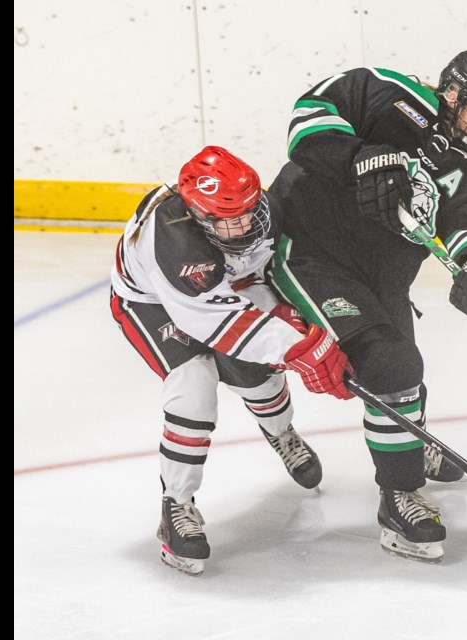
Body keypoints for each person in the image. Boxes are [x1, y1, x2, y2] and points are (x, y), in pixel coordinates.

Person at [266, 49, 467, 563]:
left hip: (384, 277)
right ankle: (398, 497)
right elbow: (308, 118)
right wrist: (360, 156)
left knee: (404, 372)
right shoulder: (389, 94)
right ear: (453, 94)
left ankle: (408, 440)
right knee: (391, 364)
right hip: (311, 251)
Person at [109, 145, 354, 577]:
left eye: (248, 210)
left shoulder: (260, 210)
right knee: (194, 385)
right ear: (199, 218)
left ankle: (281, 433)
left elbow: (259, 273)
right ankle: (176, 507)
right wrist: (300, 349)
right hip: (151, 303)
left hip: (220, 292)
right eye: (229, 219)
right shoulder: (173, 238)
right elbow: (217, 323)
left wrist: (288, 316)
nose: (245, 223)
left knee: (257, 372)